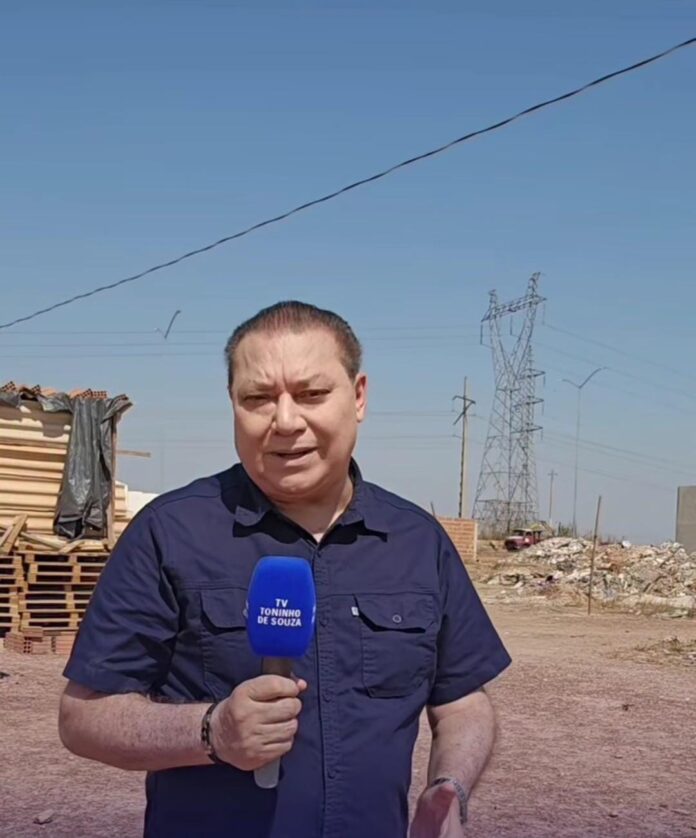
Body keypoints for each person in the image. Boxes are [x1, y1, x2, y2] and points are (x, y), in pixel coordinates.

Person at [59, 301, 511, 838]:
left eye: (312, 394)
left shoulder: (419, 541)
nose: (286, 421)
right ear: (233, 403)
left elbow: (461, 700)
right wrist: (211, 731)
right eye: (257, 398)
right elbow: (83, 718)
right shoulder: (169, 533)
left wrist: (450, 786)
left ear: (358, 396)